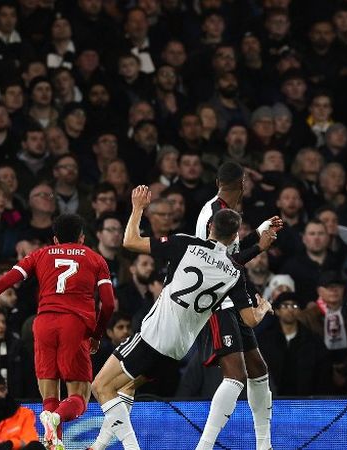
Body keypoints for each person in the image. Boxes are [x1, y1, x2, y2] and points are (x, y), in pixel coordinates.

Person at [88, 186, 272, 450]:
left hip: (153, 336)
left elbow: (129, 241)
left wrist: (138, 207)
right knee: (125, 388)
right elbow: (251, 320)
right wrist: (263, 307)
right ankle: (99, 445)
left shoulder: (185, 244)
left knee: (101, 387)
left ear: (209, 227)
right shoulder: (234, 273)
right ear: (234, 238)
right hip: (178, 350)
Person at [0, 214, 116, 450]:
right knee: (79, 398)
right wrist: (97, 334)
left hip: (43, 324)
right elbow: (109, 304)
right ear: (82, 238)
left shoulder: (39, 254)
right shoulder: (96, 259)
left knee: (50, 396)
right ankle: (56, 419)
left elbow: (2, 283)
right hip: (74, 325)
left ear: (55, 239)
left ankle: (54, 442)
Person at [193, 162, 283, 450]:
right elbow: (217, 265)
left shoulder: (218, 211)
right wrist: (260, 247)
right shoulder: (215, 214)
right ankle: (204, 447)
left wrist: (259, 232)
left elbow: (228, 251)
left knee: (258, 369)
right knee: (236, 377)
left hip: (232, 295)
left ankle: (263, 445)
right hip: (217, 300)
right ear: (243, 184)